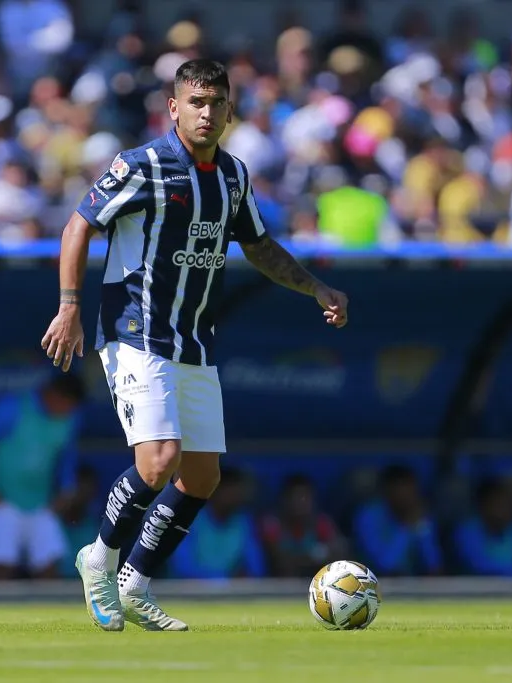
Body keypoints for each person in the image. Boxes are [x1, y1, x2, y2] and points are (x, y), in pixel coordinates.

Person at [41, 58, 349, 631]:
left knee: (202, 477)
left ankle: (135, 583)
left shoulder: (233, 176)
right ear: (174, 107)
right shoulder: (144, 165)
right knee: (157, 462)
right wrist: (69, 306)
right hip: (136, 332)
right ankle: (100, 559)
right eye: (196, 103)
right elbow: (79, 224)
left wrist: (315, 287)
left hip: (194, 342)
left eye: (217, 103)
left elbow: (259, 246)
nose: (206, 113)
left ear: (230, 110)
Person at [0, 373, 86, 579]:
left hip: (42, 502)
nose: (67, 411)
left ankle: (49, 612)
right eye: (65, 405)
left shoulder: (72, 418)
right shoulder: (12, 408)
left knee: (49, 565)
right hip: (1, 499)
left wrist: (67, 489)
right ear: (53, 395)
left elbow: (67, 456)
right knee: (2, 565)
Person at [353, 465, 443, 576]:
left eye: (410, 490)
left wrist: (420, 526)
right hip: (370, 584)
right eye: (401, 490)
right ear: (387, 490)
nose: (406, 496)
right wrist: (406, 527)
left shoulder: (419, 515)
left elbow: (434, 565)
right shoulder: (369, 516)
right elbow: (384, 566)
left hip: (410, 585)